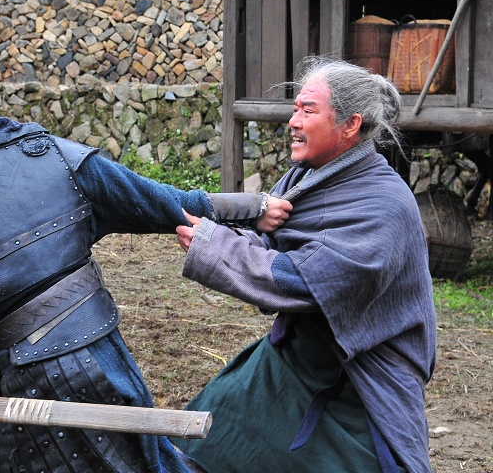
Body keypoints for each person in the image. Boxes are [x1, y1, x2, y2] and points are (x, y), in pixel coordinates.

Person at [0, 41, 281, 472]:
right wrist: (255, 208)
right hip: (106, 362)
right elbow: (166, 201)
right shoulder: (56, 156)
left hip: (40, 379)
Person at [172, 57, 437, 473]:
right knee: (204, 441)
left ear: (350, 125)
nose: (293, 121)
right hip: (292, 360)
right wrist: (213, 234)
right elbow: (268, 243)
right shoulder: (304, 177)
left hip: (360, 380)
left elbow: (301, 281)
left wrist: (216, 246)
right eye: (295, 108)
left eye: (308, 110)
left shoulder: (386, 207)